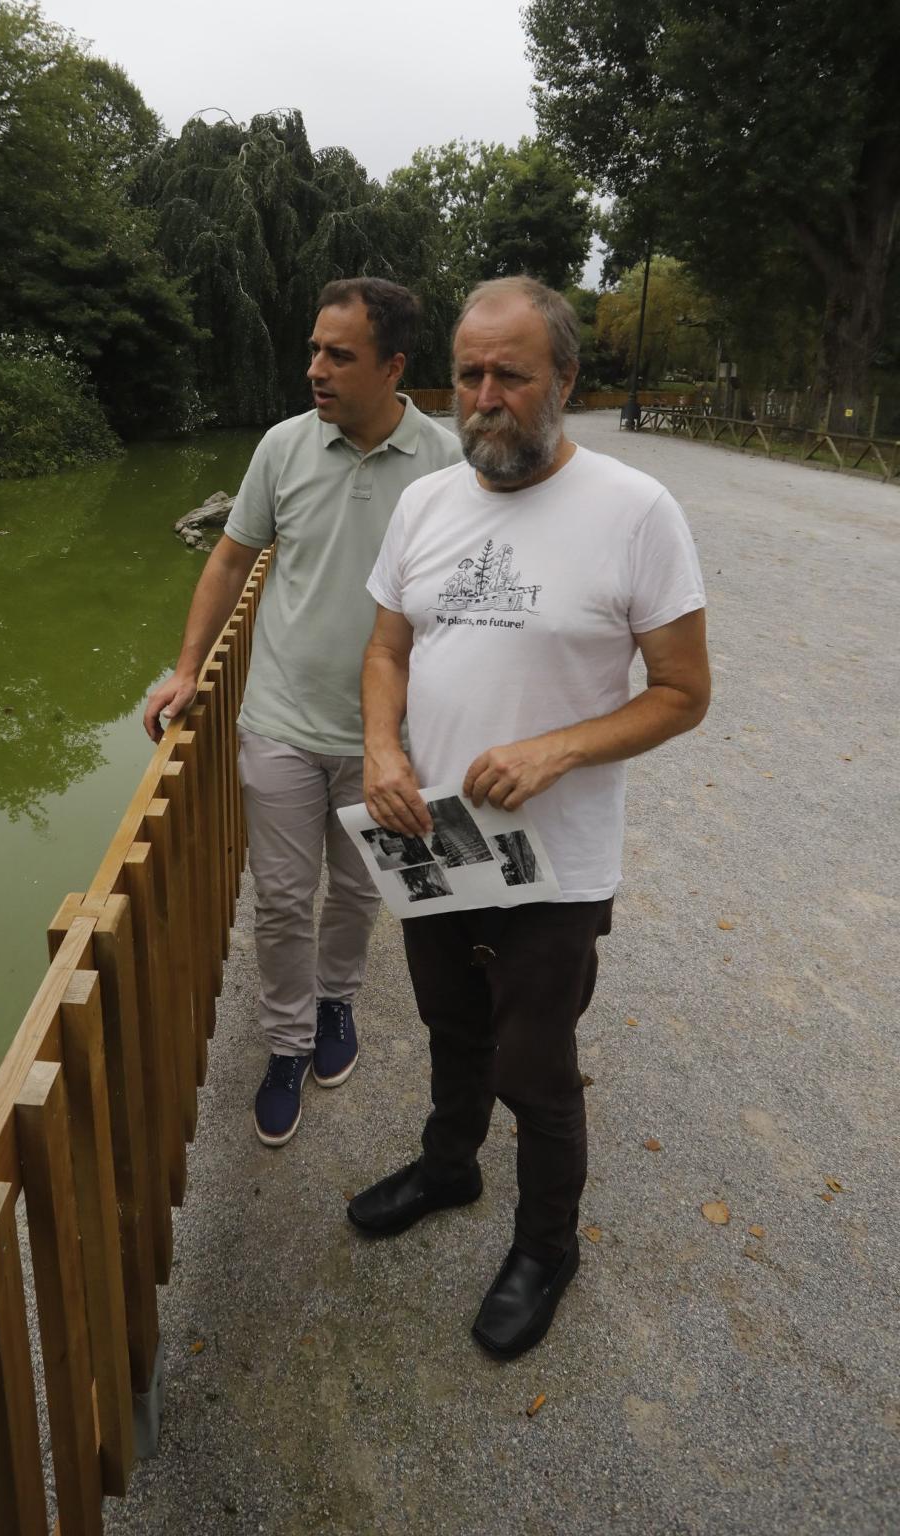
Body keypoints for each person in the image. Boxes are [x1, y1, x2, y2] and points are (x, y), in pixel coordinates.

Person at [348, 276, 710, 1358]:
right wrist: (380, 747)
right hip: (434, 844)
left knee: (533, 1062)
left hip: (555, 865)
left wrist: (561, 746)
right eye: (469, 374)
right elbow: (385, 651)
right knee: (452, 1027)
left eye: (511, 373)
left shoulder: (635, 510)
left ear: (565, 379)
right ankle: (451, 1166)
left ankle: (548, 1243)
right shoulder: (424, 504)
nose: (486, 396)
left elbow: (684, 692)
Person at [143, 278, 461, 1146]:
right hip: (279, 719)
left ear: (394, 366)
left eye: (339, 355)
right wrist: (185, 671)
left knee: (357, 890)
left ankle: (336, 1006)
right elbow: (229, 559)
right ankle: (285, 1043)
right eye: (314, 350)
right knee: (282, 898)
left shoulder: (445, 464)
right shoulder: (283, 447)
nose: (314, 368)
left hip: (383, 737)